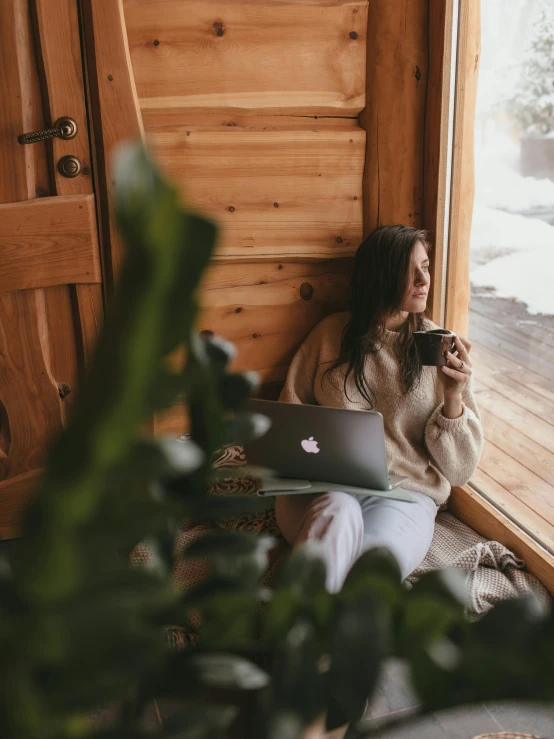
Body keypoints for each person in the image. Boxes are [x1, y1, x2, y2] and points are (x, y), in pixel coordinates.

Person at [276, 225, 484, 592]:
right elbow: (288, 419)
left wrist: (454, 395)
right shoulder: (330, 335)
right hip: (327, 488)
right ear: (381, 274)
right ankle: (301, 632)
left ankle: (299, 637)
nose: (424, 279)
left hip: (404, 495)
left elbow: (460, 470)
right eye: (411, 269)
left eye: (426, 266)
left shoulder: (437, 347)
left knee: (367, 572)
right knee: (337, 512)